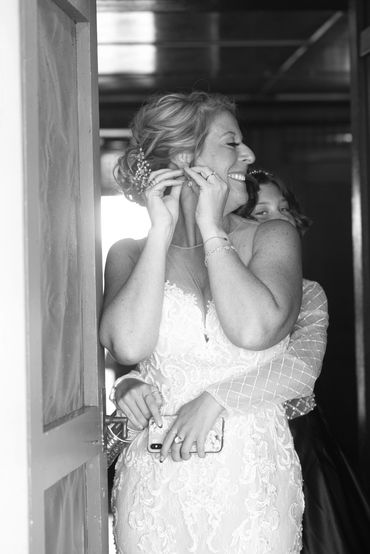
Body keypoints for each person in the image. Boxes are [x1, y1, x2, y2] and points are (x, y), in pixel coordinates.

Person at [99, 91, 305, 553]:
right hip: (155, 480)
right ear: (185, 158)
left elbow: (253, 331)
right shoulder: (128, 254)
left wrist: (212, 229)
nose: (248, 155)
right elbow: (128, 346)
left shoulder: (273, 237)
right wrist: (161, 233)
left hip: (252, 475)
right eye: (232, 142)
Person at [223, 168, 370, 553]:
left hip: (297, 441)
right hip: (225, 445)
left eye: (284, 210)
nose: (279, 220)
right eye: (261, 213)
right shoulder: (217, 288)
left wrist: (214, 401)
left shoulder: (309, 293)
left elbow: (303, 370)